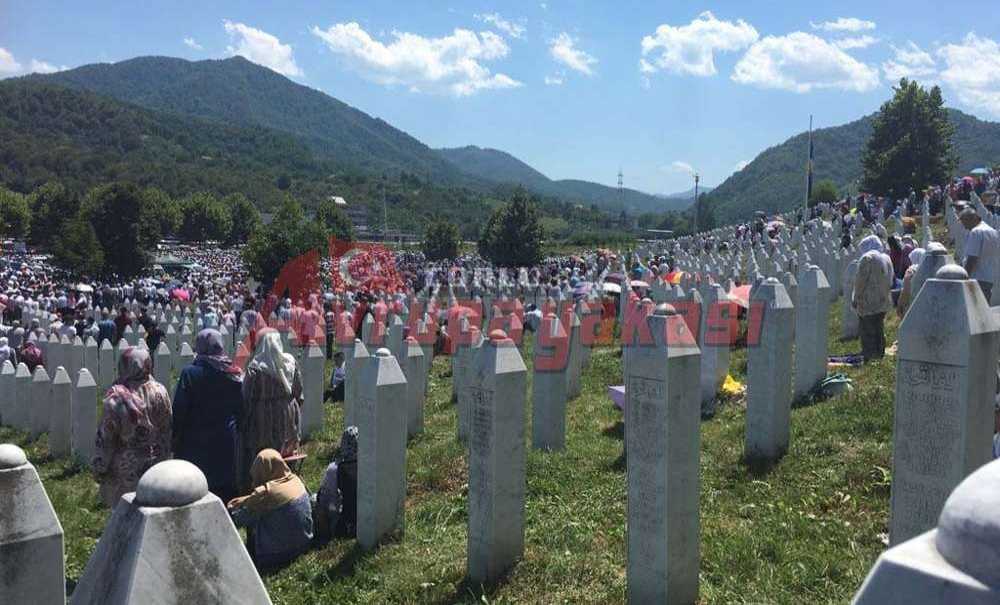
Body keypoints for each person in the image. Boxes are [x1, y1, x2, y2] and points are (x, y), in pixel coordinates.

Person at [92, 347, 173, 508]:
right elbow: (167, 429)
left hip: (126, 470)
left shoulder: (117, 398)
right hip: (155, 466)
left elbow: (106, 438)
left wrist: (99, 467)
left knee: (124, 513)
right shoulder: (160, 390)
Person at [172, 329, 244, 503]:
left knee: (196, 488)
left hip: (195, 440)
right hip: (225, 438)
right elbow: (241, 409)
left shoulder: (190, 373)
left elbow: (180, 408)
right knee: (224, 488)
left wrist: (175, 437)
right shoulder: (233, 373)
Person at [238, 329, 302, 493]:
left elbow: (246, 399)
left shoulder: (255, 369)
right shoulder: (290, 363)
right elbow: (299, 393)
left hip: (262, 421)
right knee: (285, 451)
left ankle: (260, 486)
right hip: (288, 418)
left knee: (261, 451)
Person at [227, 449, 313, 570]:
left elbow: (238, 520)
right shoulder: (295, 480)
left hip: (278, 555)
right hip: (305, 544)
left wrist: (231, 510)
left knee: (254, 519)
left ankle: (252, 559)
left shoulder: (266, 494)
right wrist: (247, 499)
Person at [853, 235, 894, 362]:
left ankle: (870, 355)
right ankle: (879, 352)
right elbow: (891, 278)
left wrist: (856, 297)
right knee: (879, 327)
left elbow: (860, 281)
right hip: (883, 299)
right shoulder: (886, 257)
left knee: (867, 329)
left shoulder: (867, 258)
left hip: (868, 300)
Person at [314, 426, 358, 541]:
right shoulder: (370, 468)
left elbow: (324, 501)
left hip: (343, 526)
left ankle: (322, 538)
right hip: (364, 523)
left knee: (314, 500)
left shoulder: (334, 469)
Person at [960, 208, 1000, 301]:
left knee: (975, 306)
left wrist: (964, 276)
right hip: (989, 276)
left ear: (972, 219)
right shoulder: (992, 231)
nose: (965, 227)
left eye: (965, 223)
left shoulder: (976, 232)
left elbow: (972, 257)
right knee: (984, 304)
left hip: (976, 277)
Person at [896, 247, 925, 318]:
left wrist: (899, 305)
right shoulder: (928, 269)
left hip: (911, 307)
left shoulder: (911, 271)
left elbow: (905, 291)